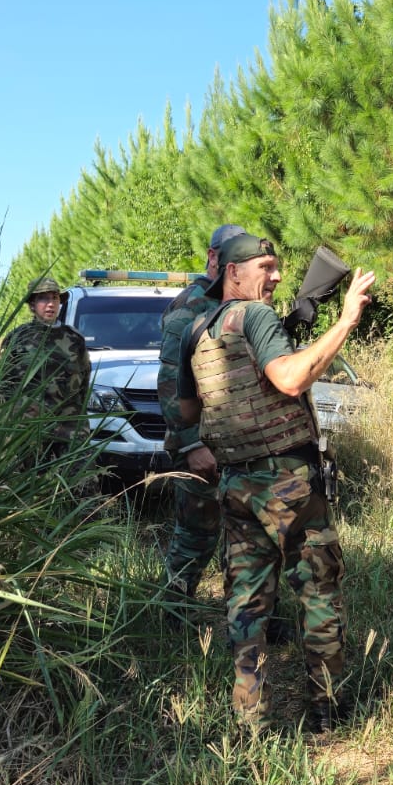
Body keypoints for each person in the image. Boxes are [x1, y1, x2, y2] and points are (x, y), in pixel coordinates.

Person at [177, 230, 374, 732]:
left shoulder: (197, 330)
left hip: (235, 485)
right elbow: (290, 379)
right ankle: (327, 710)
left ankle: (251, 723)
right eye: (266, 268)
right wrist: (346, 321)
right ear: (233, 272)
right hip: (286, 482)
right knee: (318, 591)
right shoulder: (256, 316)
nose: (277, 276)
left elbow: (187, 409)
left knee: (245, 606)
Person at [157, 224, 246, 602]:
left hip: (234, 442)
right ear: (213, 256)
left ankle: (251, 615)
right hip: (202, 445)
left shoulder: (229, 302)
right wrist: (193, 444)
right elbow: (170, 383)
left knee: (246, 535)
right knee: (197, 535)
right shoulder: (191, 307)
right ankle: (172, 611)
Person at [0, 276, 91, 459]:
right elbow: (3, 384)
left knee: (80, 473)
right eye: (43, 298)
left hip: (69, 424)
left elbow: (84, 383)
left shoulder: (74, 339)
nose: (50, 304)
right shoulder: (18, 338)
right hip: (29, 426)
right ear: (32, 304)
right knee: (30, 474)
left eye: (55, 298)